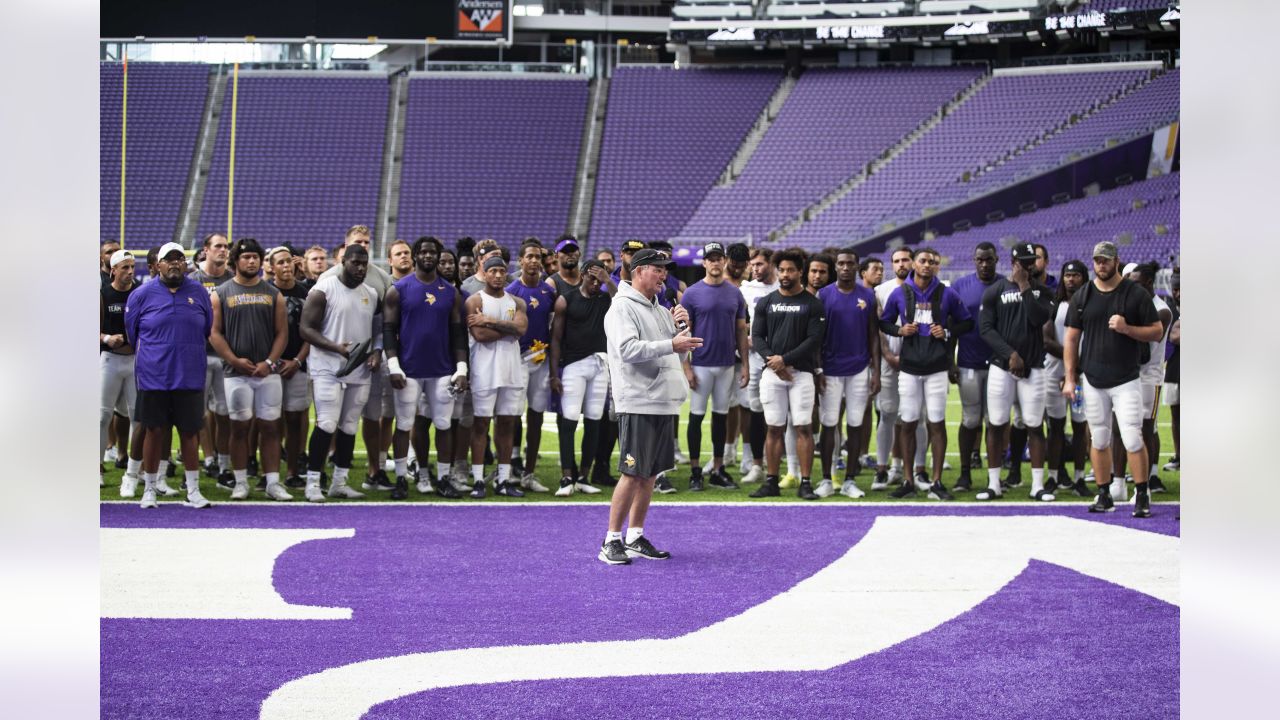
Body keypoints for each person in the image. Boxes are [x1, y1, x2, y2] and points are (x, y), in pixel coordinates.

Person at [599, 248, 700, 564]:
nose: (663, 274)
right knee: (632, 472)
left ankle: (635, 535)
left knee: (650, 473)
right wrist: (672, 343)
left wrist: (681, 334)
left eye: (665, 269)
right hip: (639, 400)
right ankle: (611, 540)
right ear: (639, 270)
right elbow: (628, 350)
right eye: (658, 269)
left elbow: (676, 356)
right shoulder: (622, 309)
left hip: (662, 400)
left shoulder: (659, 309)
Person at [1061, 241, 1163, 518]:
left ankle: (1141, 493)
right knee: (1099, 438)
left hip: (1127, 378)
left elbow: (1156, 331)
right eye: (1097, 260)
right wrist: (1070, 378)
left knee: (1132, 437)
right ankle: (1104, 492)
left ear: (1116, 261)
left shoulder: (1135, 294)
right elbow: (1071, 339)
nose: (1101, 265)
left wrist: (1127, 328)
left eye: (1106, 260)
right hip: (1093, 378)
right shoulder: (1083, 295)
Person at [124, 242, 216, 509]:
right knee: (154, 431)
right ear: (157, 265)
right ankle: (150, 489)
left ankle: (193, 490)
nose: (175, 263)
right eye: (169, 259)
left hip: (189, 373)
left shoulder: (198, 292)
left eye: (179, 259)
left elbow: (207, 327)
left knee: (190, 432)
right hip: (154, 375)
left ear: (185, 264)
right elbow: (133, 334)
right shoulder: (141, 295)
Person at [878, 247, 972, 501]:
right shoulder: (900, 293)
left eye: (933, 262)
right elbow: (884, 322)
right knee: (907, 421)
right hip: (908, 368)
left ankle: (937, 481)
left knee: (936, 422)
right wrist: (899, 331)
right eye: (923, 261)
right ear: (915, 264)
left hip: (937, 368)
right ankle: (908, 480)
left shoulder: (947, 293)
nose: (927, 265)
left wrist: (948, 331)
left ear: (937, 267)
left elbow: (967, 322)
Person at [383, 236, 470, 500]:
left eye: (433, 252)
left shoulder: (450, 292)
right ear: (416, 256)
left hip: (442, 369)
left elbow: (458, 333)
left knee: (443, 424)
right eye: (424, 252)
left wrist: (462, 368)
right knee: (405, 424)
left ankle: (443, 478)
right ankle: (400, 478)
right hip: (408, 369)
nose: (429, 256)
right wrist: (394, 365)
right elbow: (388, 330)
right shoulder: (398, 289)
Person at [209, 238, 290, 501]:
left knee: (270, 428)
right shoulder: (220, 293)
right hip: (236, 374)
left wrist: (269, 362)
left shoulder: (273, 293)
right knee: (239, 428)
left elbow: (282, 334)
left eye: (255, 257)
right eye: (246, 257)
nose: (252, 261)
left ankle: (272, 482)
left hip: (268, 373)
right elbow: (214, 333)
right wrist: (233, 360)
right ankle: (241, 481)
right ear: (236, 261)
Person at [299, 244, 382, 502]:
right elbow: (305, 329)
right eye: (355, 262)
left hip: (358, 369)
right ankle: (313, 482)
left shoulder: (371, 293)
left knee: (348, 426)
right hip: (327, 367)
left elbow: (377, 329)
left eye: (364, 263)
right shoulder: (323, 290)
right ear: (342, 262)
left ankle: (339, 482)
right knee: (326, 422)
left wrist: (376, 351)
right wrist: (335, 347)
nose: (360, 268)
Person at [975, 243, 1054, 502]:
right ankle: (994, 483)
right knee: (997, 424)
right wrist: (1011, 354)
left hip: (1034, 367)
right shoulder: (995, 291)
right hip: (1001, 366)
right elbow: (986, 329)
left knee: (1034, 424)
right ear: (1013, 262)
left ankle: (1038, 485)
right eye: (1025, 262)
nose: (1031, 266)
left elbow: (1037, 319)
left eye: (1033, 262)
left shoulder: (1042, 291)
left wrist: (1024, 286)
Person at [748, 249, 826, 500]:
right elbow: (757, 336)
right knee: (773, 427)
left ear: (800, 272)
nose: (785, 274)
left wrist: (786, 360)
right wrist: (774, 361)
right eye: (781, 270)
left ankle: (805, 482)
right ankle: (771, 480)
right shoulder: (767, 302)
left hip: (801, 374)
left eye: (790, 270)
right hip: (772, 372)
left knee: (803, 427)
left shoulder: (812, 303)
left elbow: (815, 339)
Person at [681, 242, 749, 491]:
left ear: (725, 261)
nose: (715, 262)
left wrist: (746, 365)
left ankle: (718, 468)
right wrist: (686, 367)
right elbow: (683, 332)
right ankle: (696, 470)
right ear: (704, 263)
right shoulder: (692, 293)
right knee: (696, 416)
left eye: (719, 258)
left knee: (721, 417)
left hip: (726, 364)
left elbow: (741, 330)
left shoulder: (734, 293)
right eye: (711, 259)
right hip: (701, 364)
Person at [816, 248, 880, 498]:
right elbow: (817, 337)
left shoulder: (868, 295)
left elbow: (873, 335)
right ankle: (826, 480)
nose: (845, 268)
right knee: (829, 424)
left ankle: (851, 479)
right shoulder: (824, 295)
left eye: (849, 264)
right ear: (836, 267)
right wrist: (818, 368)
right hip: (830, 370)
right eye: (841, 264)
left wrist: (875, 370)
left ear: (856, 267)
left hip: (859, 369)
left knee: (855, 424)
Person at [464, 256, 529, 498]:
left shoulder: (517, 302)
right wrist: (507, 328)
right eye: (493, 271)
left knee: (507, 424)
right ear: (484, 272)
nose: (499, 275)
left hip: (510, 371)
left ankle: (503, 479)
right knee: (481, 424)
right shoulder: (474, 300)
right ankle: (479, 479)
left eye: (502, 271)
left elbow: (521, 330)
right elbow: (479, 334)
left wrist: (491, 321)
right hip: (484, 370)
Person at [549, 259, 612, 496]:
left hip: (600, 364)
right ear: (583, 275)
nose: (596, 283)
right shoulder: (567, 299)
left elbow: (623, 303)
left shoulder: (606, 298)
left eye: (600, 279)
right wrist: (554, 373)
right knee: (570, 419)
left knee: (595, 420)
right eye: (592, 278)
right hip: (573, 365)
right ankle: (567, 476)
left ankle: (584, 475)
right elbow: (555, 339)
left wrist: (608, 281)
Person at [102, 250, 157, 496]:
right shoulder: (104, 294)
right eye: (124, 267)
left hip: (136, 359)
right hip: (111, 359)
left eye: (132, 266)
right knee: (101, 417)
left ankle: (140, 469)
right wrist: (105, 337)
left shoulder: (140, 293)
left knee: (139, 417)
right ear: (113, 269)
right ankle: (97, 468)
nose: (130, 271)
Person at [506, 243, 557, 492]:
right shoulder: (511, 291)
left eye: (538, 257)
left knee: (536, 414)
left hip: (542, 360)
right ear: (520, 261)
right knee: (513, 413)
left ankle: (529, 471)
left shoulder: (548, 292)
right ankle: (512, 462)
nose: (535, 261)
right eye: (530, 257)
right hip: (518, 359)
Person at [949, 243, 999, 491]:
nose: (984, 264)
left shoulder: (1005, 286)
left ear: (996, 259)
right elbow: (952, 324)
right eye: (980, 260)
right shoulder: (960, 286)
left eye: (988, 259)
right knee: (970, 419)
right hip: (968, 362)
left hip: (998, 365)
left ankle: (995, 477)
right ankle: (965, 474)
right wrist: (951, 360)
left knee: (995, 420)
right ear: (974, 260)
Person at [1042, 259, 1091, 497]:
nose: (1071, 280)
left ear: (1083, 277)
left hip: (1082, 376)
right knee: (1056, 426)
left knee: (1080, 426)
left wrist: (1075, 369)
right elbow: (1047, 339)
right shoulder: (1055, 303)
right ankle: (1052, 476)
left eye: (1075, 275)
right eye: (1067, 275)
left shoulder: (1091, 303)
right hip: (1055, 373)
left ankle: (1080, 478)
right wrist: (1070, 360)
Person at [266, 246, 312, 489]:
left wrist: (297, 361)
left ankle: (293, 471)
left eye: (288, 262)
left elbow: (312, 331)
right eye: (280, 262)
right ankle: (268, 473)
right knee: (269, 421)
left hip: (297, 365)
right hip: (270, 366)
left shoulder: (306, 292)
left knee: (295, 420)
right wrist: (271, 360)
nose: (286, 266)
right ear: (271, 267)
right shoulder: (265, 292)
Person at [192, 233, 234, 487]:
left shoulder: (233, 279)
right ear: (206, 250)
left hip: (226, 354)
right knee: (196, 412)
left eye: (225, 247)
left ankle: (223, 465)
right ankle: (205, 460)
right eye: (217, 246)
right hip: (199, 354)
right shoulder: (193, 280)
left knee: (225, 413)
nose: (223, 250)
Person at [871, 247, 915, 490]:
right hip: (889, 361)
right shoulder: (882, 290)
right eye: (897, 260)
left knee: (913, 416)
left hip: (917, 361)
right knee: (887, 413)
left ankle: (908, 469)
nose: (901, 264)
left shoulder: (926, 288)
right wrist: (887, 354)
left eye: (905, 259)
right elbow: (878, 325)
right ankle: (882, 468)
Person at [739, 247, 779, 486]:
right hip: (754, 358)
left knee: (781, 412)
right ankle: (757, 464)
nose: (755, 269)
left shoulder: (782, 287)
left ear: (771, 264)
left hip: (779, 357)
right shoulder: (745, 290)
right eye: (752, 265)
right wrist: (746, 336)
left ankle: (786, 464)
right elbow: (737, 322)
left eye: (760, 264)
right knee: (755, 410)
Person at [1162, 271, 1180, 472]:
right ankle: (1178, 455)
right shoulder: (1169, 310)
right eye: (1175, 289)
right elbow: (1172, 338)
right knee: (1175, 415)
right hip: (1173, 369)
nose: (1179, 294)